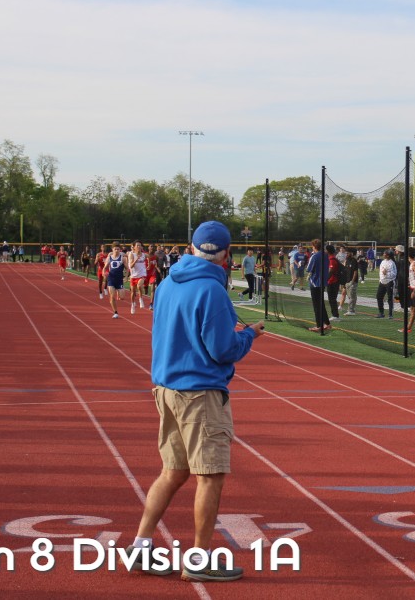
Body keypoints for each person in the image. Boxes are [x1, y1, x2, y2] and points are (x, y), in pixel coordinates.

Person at [127, 220, 265, 581]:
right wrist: (249, 336)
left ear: (191, 248)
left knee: (172, 471)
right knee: (210, 476)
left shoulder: (168, 283)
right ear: (227, 254)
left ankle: (141, 545)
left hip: (166, 389)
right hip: (199, 393)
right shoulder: (212, 290)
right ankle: (200, 558)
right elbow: (223, 350)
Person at [306, 239, 330, 332]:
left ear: (314, 247)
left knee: (316, 305)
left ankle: (319, 325)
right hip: (323, 281)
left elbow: (309, 269)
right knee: (321, 303)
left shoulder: (314, 256)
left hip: (315, 282)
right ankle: (327, 323)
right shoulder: (325, 255)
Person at [104, 244, 126, 318]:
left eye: (118, 249)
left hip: (119, 280)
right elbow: (105, 267)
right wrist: (104, 273)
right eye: (115, 249)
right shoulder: (109, 258)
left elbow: (127, 268)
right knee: (112, 296)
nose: (116, 250)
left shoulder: (123, 258)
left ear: (120, 250)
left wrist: (126, 277)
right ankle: (115, 312)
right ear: (112, 250)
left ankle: (118, 292)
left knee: (122, 297)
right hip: (111, 279)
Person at [376, 249, 397, 318]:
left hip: (389, 282)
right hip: (382, 282)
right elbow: (381, 272)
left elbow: (394, 274)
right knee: (379, 296)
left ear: (388, 255)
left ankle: (390, 314)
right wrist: (380, 279)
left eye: (384, 254)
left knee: (390, 298)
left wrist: (386, 274)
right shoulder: (383, 262)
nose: (383, 255)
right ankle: (381, 313)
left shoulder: (392, 263)